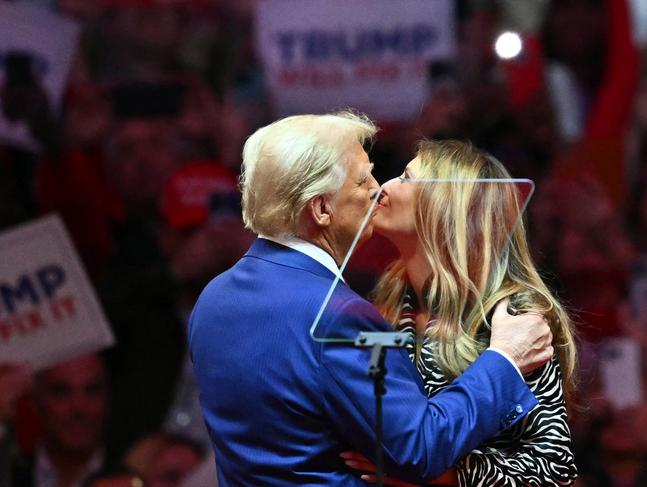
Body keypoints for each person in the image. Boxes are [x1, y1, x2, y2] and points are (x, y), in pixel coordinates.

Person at [188, 111, 554, 485]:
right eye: (363, 180)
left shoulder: (213, 298)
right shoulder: (338, 315)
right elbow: (418, 450)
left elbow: (551, 466)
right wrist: (505, 360)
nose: (378, 188)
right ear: (321, 209)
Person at [366, 139, 578, 486]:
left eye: (406, 177)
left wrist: (443, 474)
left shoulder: (513, 316)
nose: (384, 186)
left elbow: (554, 470)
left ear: (445, 207)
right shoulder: (389, 301)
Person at [12, 354, 109, 487]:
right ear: (34, 402)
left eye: (92, 391)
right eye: (61, 392)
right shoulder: (9, 475)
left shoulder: (134, 476)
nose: (78, 406)